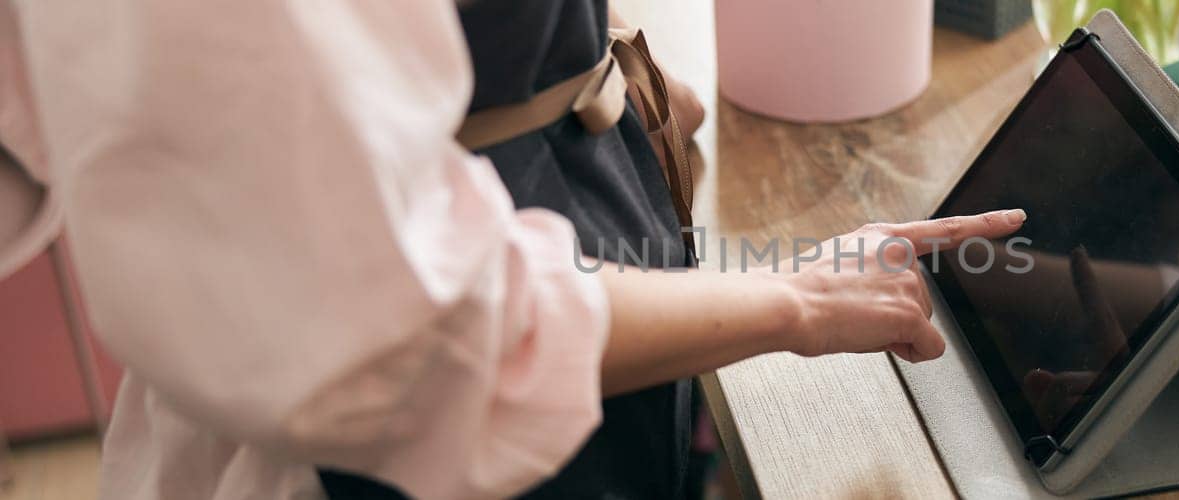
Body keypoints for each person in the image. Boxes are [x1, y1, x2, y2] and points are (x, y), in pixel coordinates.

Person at [0, 1, 1024, 499]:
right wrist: (789, 298)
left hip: (582, 289)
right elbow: (413, 331)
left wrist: (590, 54)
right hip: (392, 446)